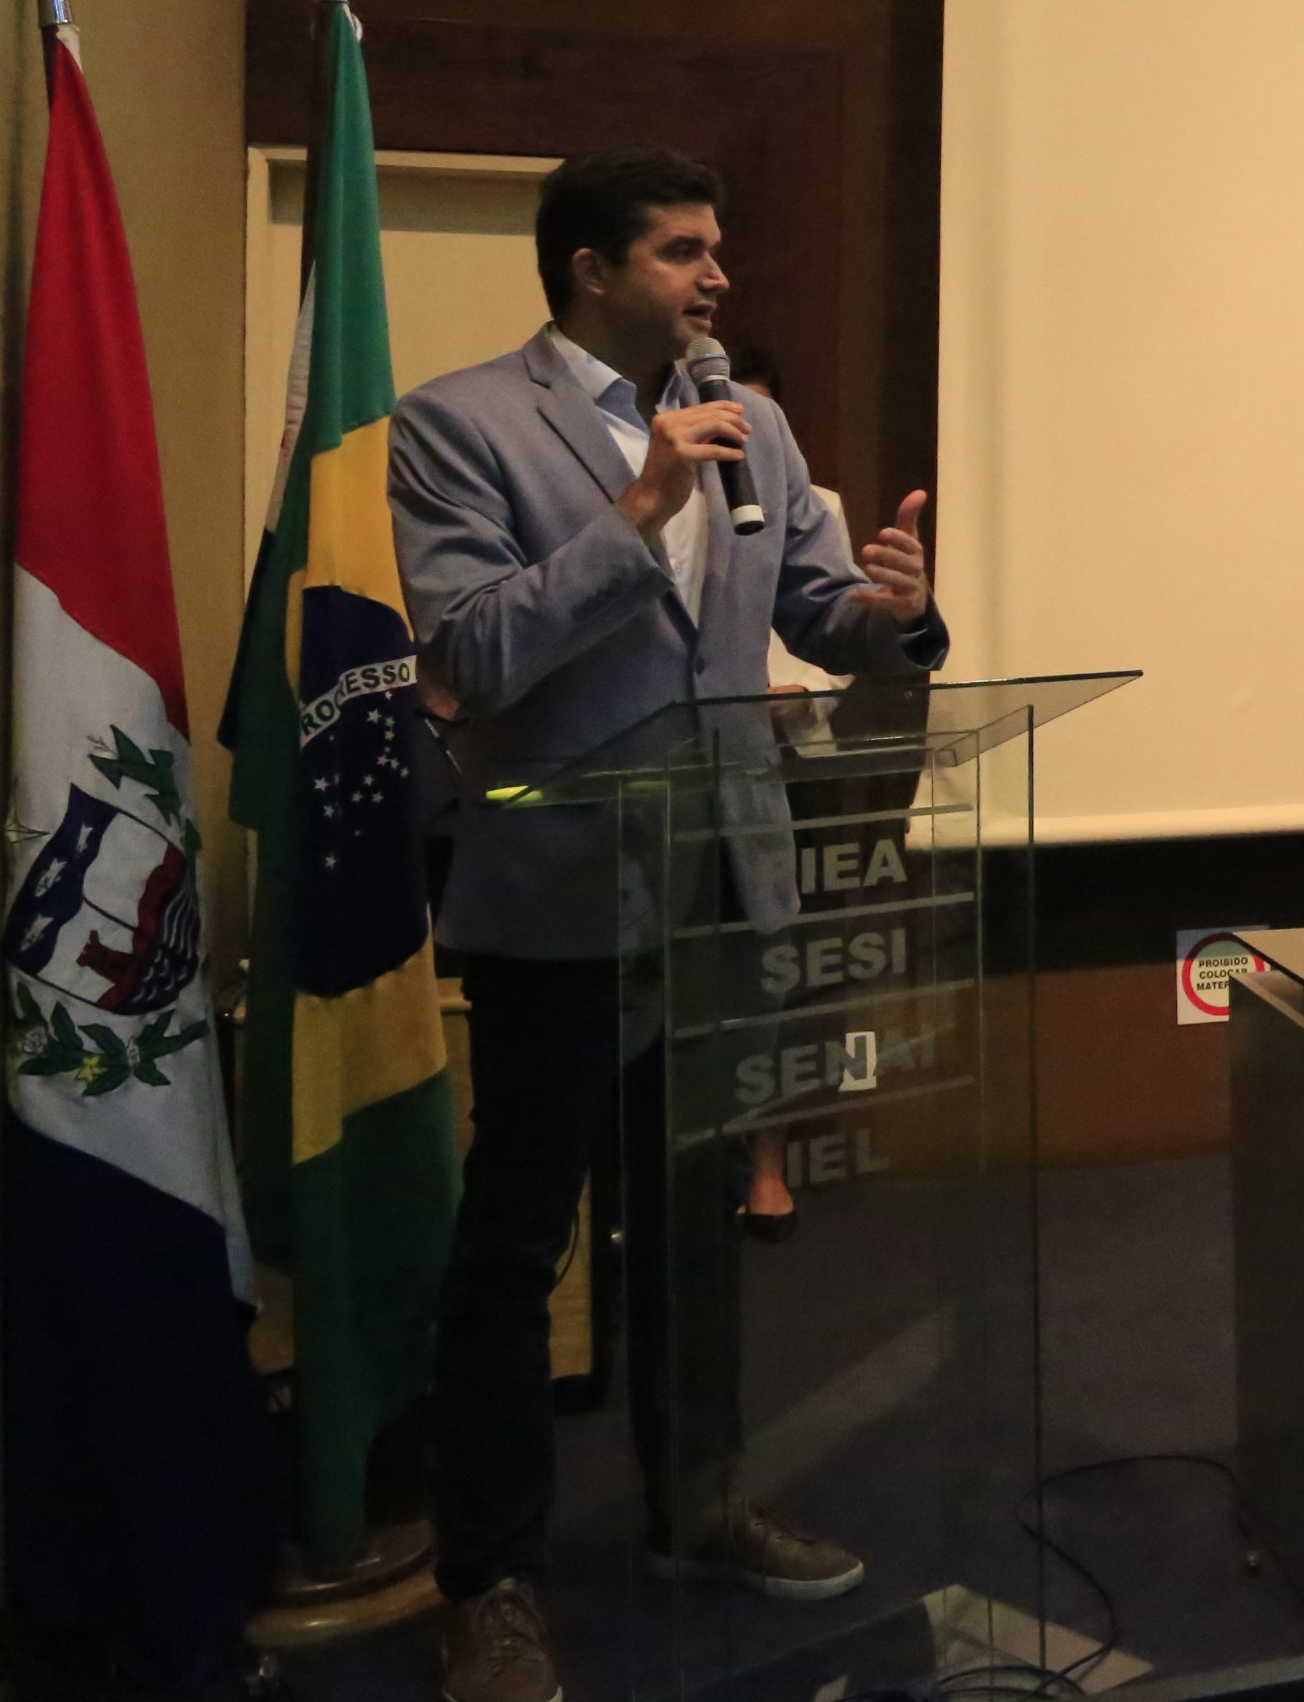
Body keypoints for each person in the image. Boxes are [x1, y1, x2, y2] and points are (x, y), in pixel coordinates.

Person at [391, 148, 946, 1702]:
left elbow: (811, 614)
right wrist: (638, 508)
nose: (719, 278)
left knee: (695, 1229)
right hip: (563, 892)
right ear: (591, 268)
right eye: (684, 252)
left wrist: (892, 613)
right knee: (520, 1243)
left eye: (719, 249)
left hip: (721, 889)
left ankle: (697, 1504)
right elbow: (469, 653)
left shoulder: (750, 419)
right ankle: (490, 1578)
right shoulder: (458, 424)